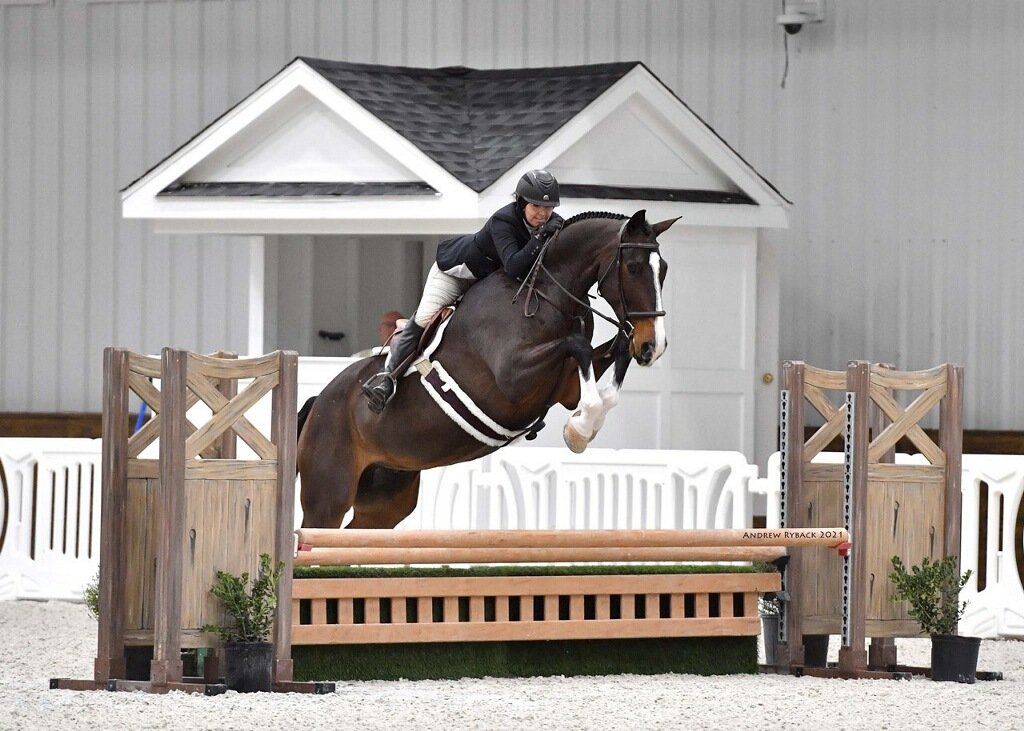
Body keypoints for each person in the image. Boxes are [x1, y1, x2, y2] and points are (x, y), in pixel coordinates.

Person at [362, 169, 564, 413]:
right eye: (536, 206)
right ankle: (387, 379)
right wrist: (543, 235)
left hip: (487, 285)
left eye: (549, 208)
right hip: (455, 274)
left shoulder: (549, 224)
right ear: (521, 202)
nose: (543, 214)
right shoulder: (504, 220)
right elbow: (514, 266)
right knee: (425, 319)